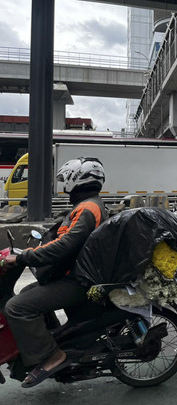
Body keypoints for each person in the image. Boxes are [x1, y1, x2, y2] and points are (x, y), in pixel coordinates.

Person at [3, 157, 108, 388]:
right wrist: (31, 252)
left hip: (77, 281)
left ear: (77, 180)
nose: (63, 187)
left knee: (16, 307)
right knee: (30, 292)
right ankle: (54, 338)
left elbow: (66, 245)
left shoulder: (88, 207)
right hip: (72, 276)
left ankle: (52, 355)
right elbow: (62, 242)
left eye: (65, 181)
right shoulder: (86, 205)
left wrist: (24, 256)